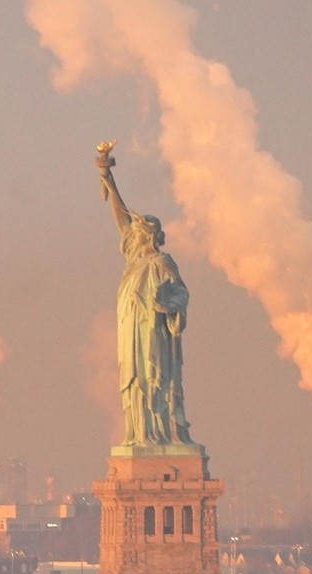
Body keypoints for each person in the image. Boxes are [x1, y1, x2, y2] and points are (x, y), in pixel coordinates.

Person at [95, 143, 194, 447]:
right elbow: (121, 218)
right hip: (130, 333)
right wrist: (108, 179)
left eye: (137, 233)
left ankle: (159, 434)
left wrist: (165, 305)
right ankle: (138, 434)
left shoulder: (161, 263)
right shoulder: (133, 263)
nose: (131, 235)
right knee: (133, 381)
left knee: (154, 380)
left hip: (152, 333)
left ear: (148, 236)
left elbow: (182, 293)